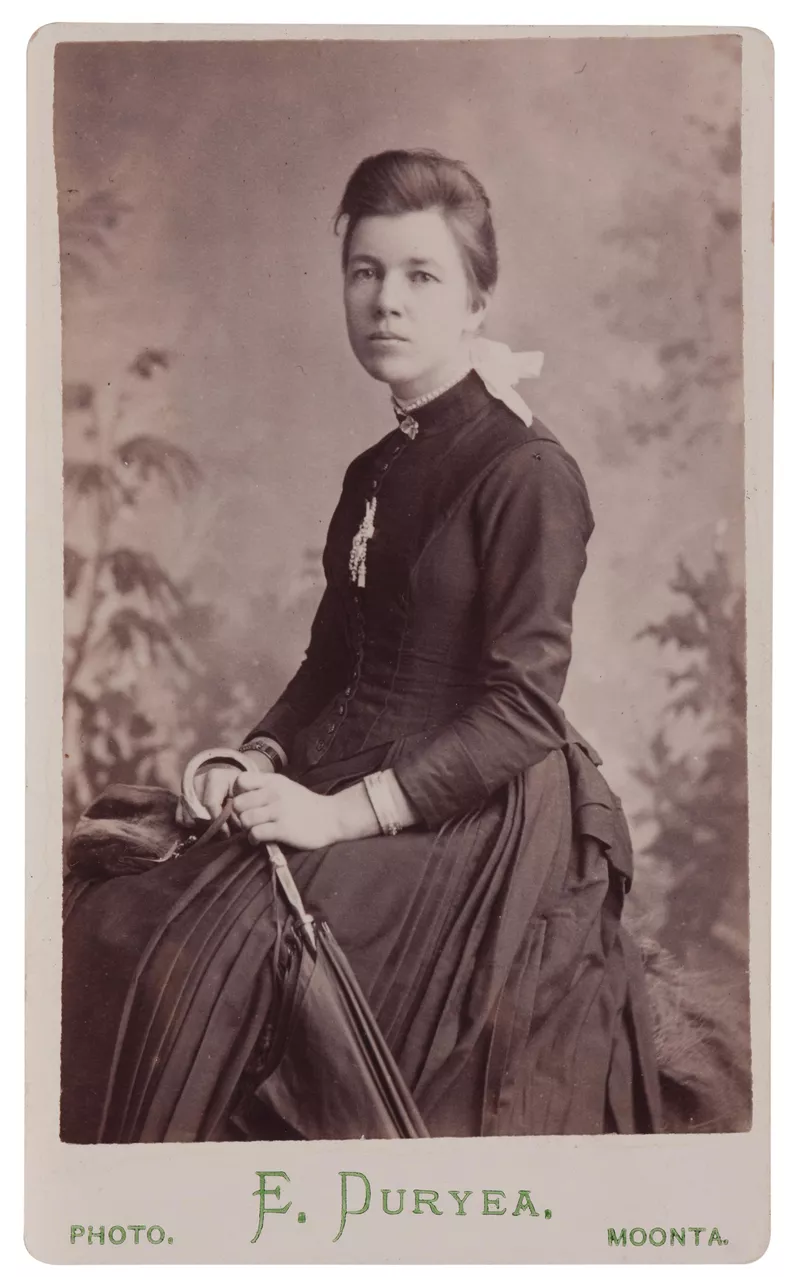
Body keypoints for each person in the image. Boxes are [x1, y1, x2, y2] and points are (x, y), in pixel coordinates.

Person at [61, 149, 662, 1141]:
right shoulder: (375, 467)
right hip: (343, 776)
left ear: (475, 300)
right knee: (114, 918)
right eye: (365, 271)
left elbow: (521, 708)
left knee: (214, 959)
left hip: (473, 807)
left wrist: (336, 815)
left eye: (421, 275)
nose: (386, 299)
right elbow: (331, 663)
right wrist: (256, 757)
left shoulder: (527, 469)